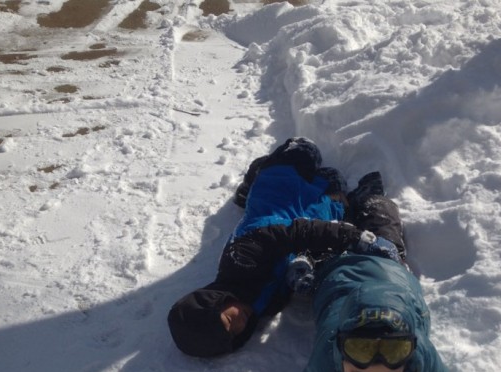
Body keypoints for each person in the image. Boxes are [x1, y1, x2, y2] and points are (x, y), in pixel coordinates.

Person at [167, 137, 399, 358]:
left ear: (213, 301)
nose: (240, 324)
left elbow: (298, 233)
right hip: (309, 212)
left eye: (229, 321)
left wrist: (357, 237)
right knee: (336, 190)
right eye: (236, 333)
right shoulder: (258, 307)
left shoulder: (240, 259)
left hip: (278, 194)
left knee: (304, 151)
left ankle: (259, 172)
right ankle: (336, 190)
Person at [302, 191, 452, 372]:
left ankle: (368, 193)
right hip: (340, 268)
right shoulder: (326, 360)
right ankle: (343, 196)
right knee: (342, 225)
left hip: (387, 268)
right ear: (340, 359)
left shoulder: (419, 356)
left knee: (378, 215)